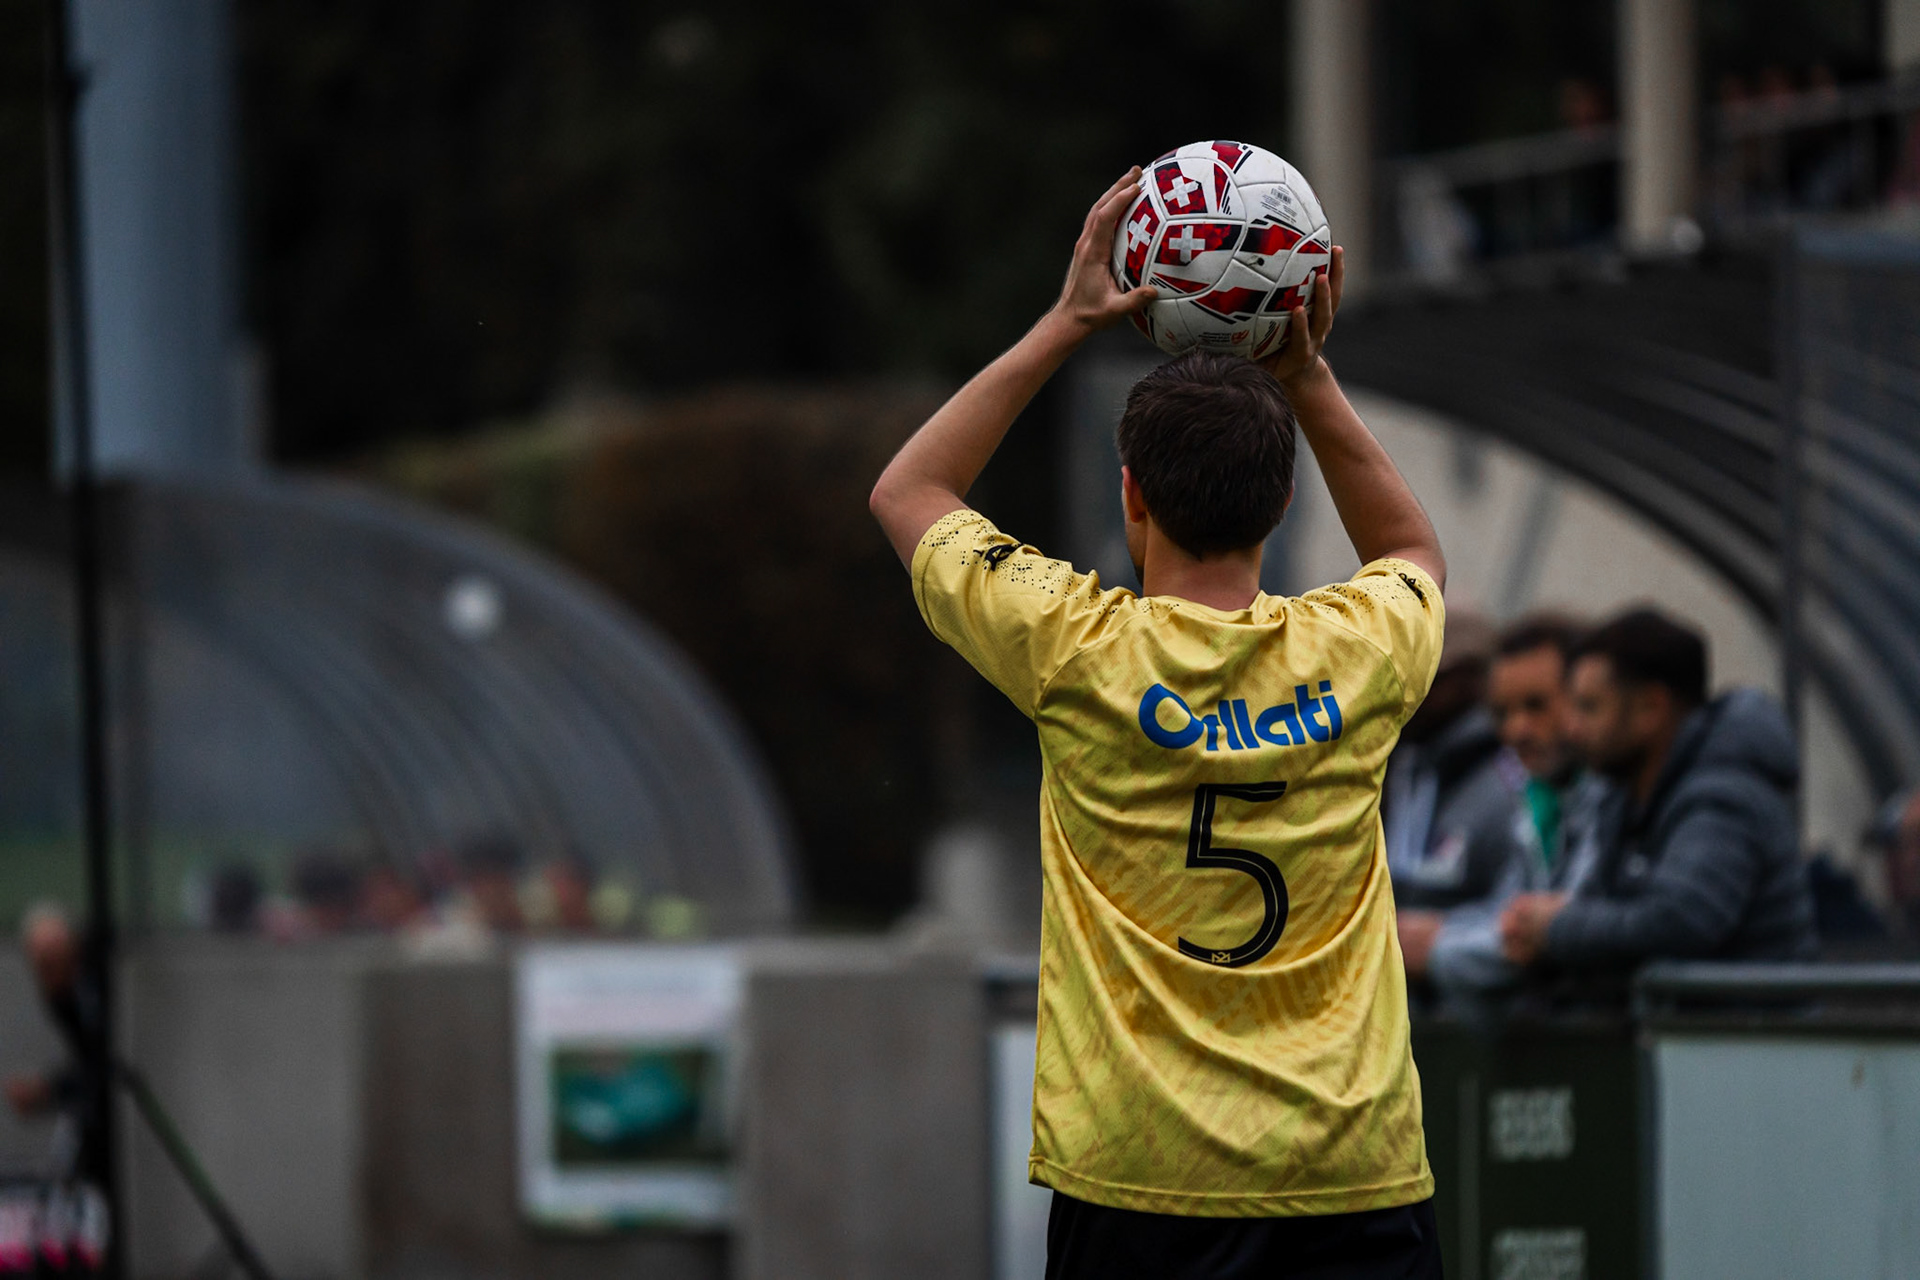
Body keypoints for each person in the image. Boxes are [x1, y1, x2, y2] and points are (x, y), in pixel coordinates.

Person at [870, 169, 1446, 1278]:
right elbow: (1413, 551)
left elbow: (911, 490)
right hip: (1350, 1174)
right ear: (1285, 499)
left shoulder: (1073, 649)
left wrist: (1067, 322)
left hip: (1140, 1185)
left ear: (1130, 492)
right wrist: (1307, 372)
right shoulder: (1362, 648)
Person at [1499, 609, 1817, 979]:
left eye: (1589, 707)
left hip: (1749, 1032)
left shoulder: (1723, 797)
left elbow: (1680, 920)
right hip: (1693, 1032)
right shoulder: (1626, 798)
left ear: (1652, 707)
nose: (1570, 728)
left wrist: (1556, 927)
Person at [1405, 615, 1610, 1004]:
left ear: (1584, 696)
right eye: (1502, 713)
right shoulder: (1540, 800)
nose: (1517, 730)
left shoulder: (1608, 800)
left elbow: (1547, 931)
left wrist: (1434, 946)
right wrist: (1434, 931)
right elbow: (1512, 914)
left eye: (1536, 706)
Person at [1383, 609, 1527, 929]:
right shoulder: (1407, 763)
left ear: (1470, 678)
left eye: (1424, 677)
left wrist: (1437, 943)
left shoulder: (1510, 778)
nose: (1405, 692)